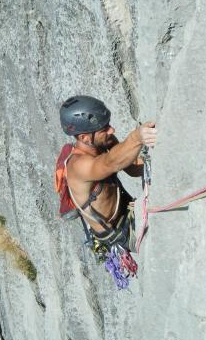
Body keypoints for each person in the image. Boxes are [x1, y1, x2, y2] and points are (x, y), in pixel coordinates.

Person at [59, 95, 157, 248]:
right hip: (120, 232)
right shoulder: (78, 166)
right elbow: (110, 163)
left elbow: (130, 167)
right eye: (104, 129)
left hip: (128, 208)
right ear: (84, 137)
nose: (112, 130)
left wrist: (156, 161)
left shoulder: (105, 141)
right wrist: (137, 138)